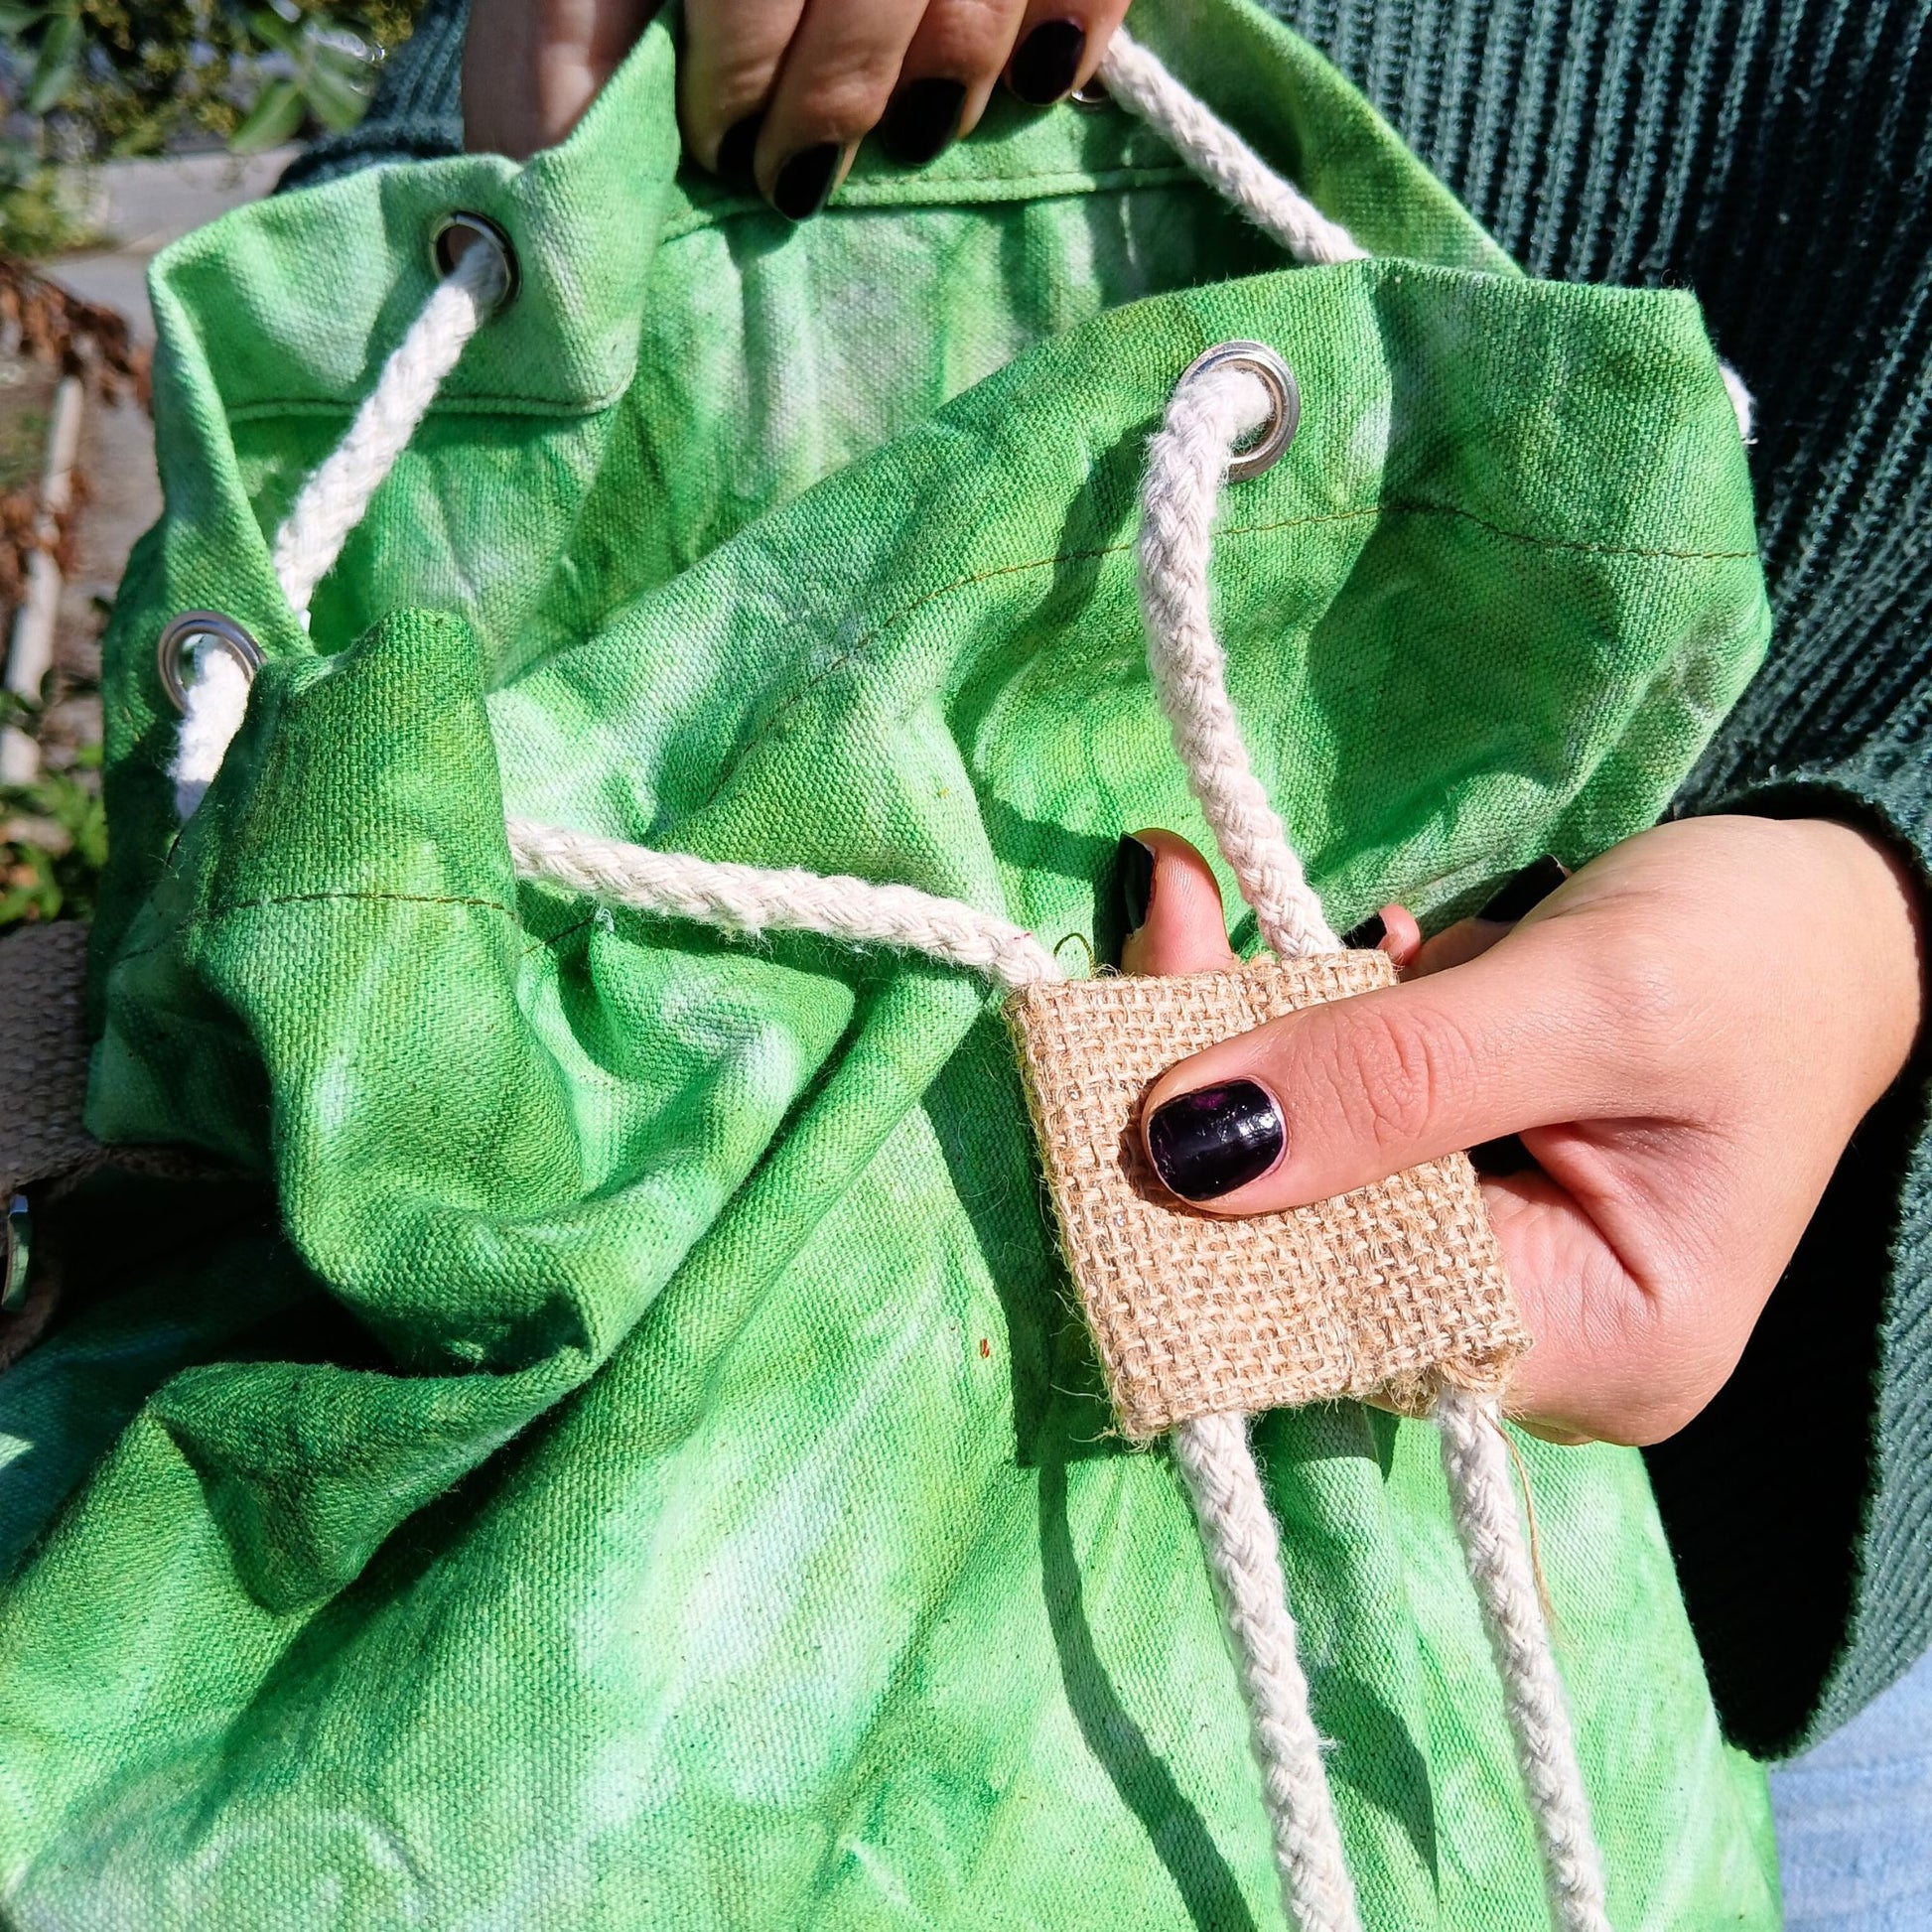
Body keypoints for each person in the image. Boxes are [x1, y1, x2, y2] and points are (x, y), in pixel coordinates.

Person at [290, 1, 1932, 1920]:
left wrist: (1889, 890)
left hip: (1751, 1576)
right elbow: (380, 343)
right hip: (620, 1400)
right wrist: (562, 136)